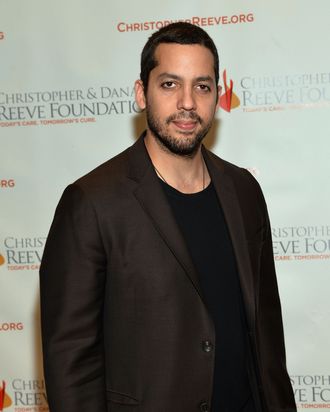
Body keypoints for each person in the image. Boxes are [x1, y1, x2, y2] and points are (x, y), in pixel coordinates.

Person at [40, 22, 297, 412]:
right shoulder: (91, 202)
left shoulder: (244, 190)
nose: (188, 103)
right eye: (170, 84)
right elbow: (71, 362)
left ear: (217, 95)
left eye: (202, 86)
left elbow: (267, 340)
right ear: (142, 93)